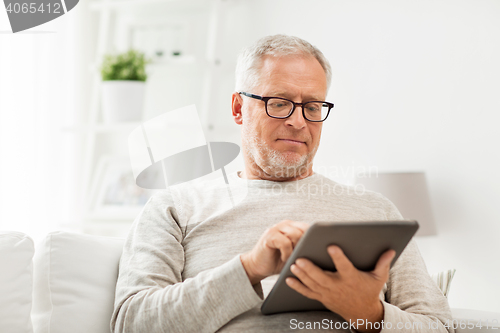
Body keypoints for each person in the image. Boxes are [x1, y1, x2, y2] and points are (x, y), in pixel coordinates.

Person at [111, 35, 454, 333]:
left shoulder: (376, 211)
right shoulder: (176, 207)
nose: (297, 121)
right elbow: (132, 323)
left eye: (313, 106)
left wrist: (370, 314)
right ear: (238, 108)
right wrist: (249, 269)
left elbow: (438, 326)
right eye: (279, 103)